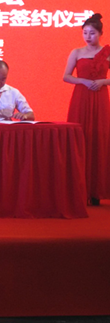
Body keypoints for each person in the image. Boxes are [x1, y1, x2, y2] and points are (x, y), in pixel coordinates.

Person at [64, 12, 110, 206]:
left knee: (100, 139)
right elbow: (66, 76)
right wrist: (82, 80)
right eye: (85, 33)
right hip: (81, 98)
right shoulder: (76, 52)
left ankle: (96, 191)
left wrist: (103, 81)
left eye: (92, 33)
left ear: (100, 33)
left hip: (100, 98)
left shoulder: (107, 53)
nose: (88, 36)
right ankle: (77, 189)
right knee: (80, 138)